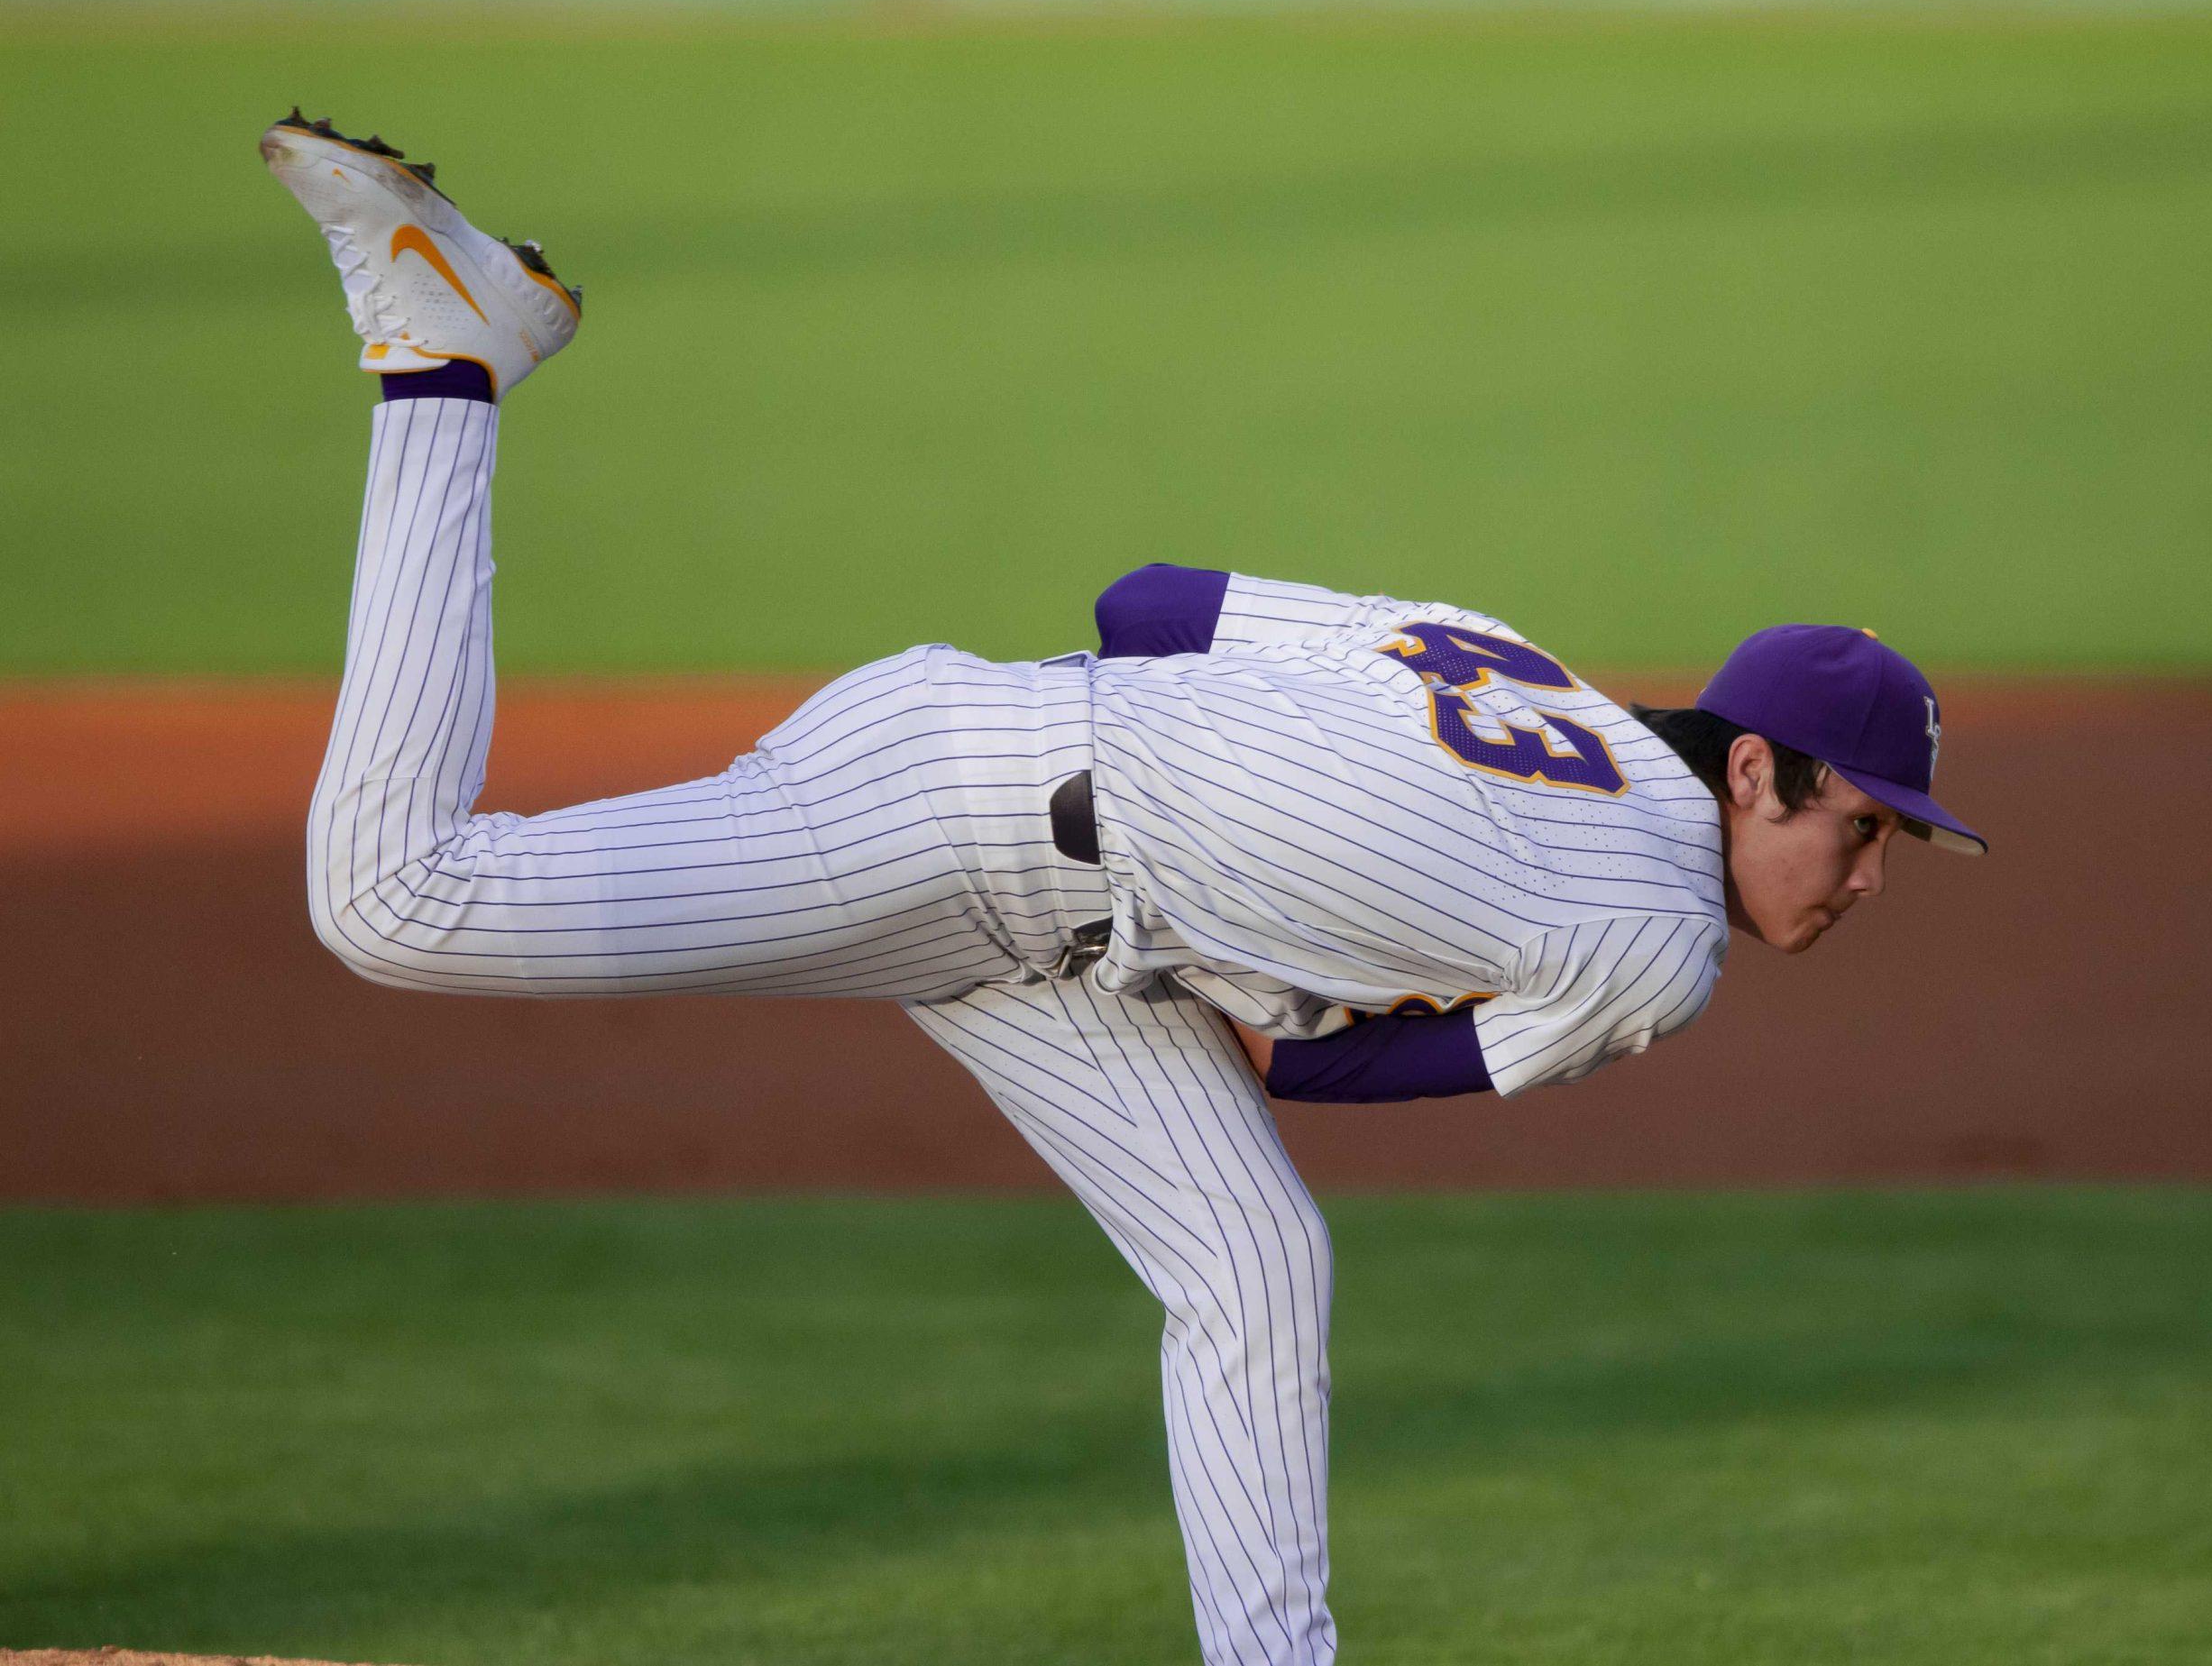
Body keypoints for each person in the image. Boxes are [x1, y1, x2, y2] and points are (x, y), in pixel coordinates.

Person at [263, 112, 1985, 1666]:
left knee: (1252, 1261)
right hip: (943, 823)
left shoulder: (1514, 661)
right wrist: (1280, 947)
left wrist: (1264, 836)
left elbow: (1148, 596)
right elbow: (1328, 1067)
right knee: (396, 902)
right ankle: (447, 355)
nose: (1867, 874)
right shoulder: (1663, 942)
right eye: (1865, 827)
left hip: (1032, 855)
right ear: (1755, 768)